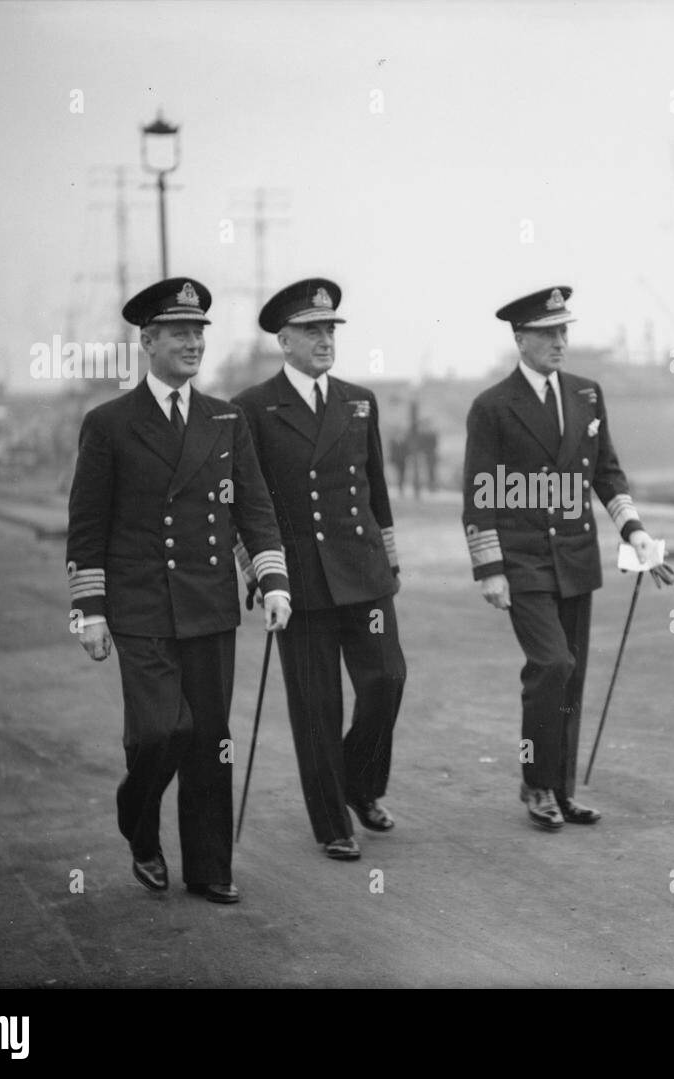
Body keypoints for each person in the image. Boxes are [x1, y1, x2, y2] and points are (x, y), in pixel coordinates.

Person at [66, 277, 292, 904]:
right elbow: (87, 525)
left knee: (211, 739)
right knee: (161, 732)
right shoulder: (109, 424)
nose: (193, 343)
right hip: (140, 608)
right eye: (179, 333)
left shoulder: (226, 418)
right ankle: (140, 826)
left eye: (198, 332)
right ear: (148, 341)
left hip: (208, 606)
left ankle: (211, 866)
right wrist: (88, 611)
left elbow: (254, 509)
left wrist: (271, 579)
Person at [461, 285, 674, 831]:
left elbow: (606, 473)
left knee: (571, 675)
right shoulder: (492, 407)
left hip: (576, 558)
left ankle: (561, 788)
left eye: (564, 331)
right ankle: (536, 785)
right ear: (520, 337)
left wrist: (636, 532)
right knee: (551, 666)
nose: (560, 341)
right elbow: (481, 495)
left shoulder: (586, 394)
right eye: (548, 333)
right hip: (524, 560)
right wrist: (489, 569)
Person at [233, 278, 406, 862]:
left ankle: (359, 783)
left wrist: (391, 555)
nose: (325, 339)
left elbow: (375, 488)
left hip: (364, 573)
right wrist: (260, 574)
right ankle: (333, 820)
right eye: (312, 331)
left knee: (387, 681)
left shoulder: (359, 400)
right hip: (300, 580)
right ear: (284, 341)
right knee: (316, 704)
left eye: (330, 328)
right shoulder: (253, 409)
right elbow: (244, 505)